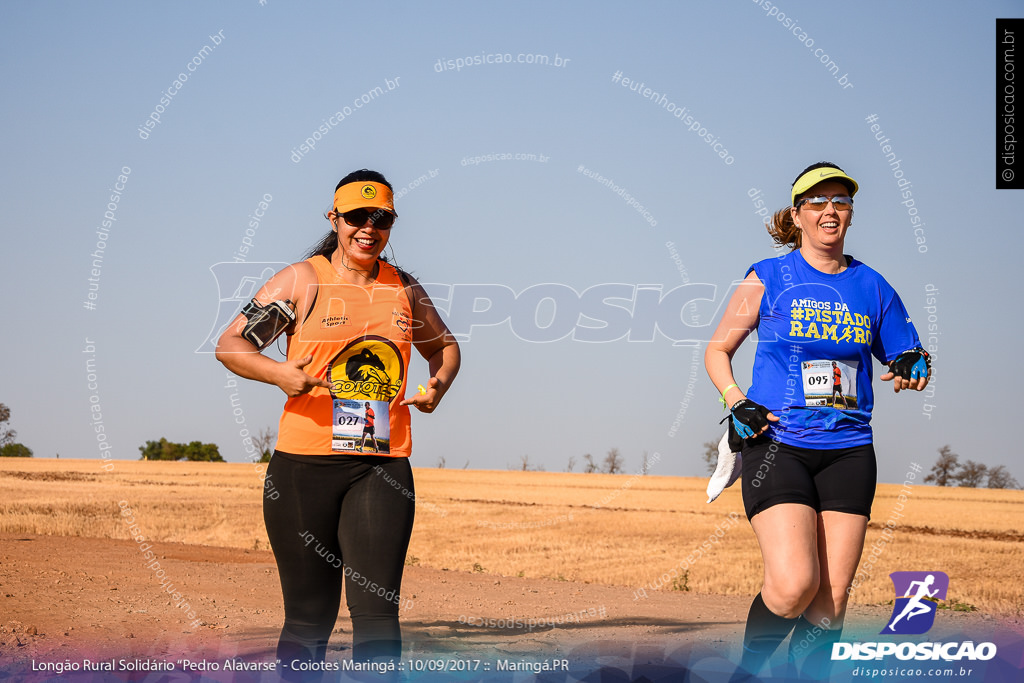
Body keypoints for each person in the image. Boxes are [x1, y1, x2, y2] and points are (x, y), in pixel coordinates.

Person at [216, 169, 461, 675]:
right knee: (308, 617)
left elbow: (445, 347)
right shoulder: (303, 281)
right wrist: (280, 374)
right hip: (302, 468)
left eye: (382, 219)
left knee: (376, 614)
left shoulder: (404, 289)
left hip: (380, 465)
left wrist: (438, 384)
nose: (368, 228)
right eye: (356, 217)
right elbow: (232, 344)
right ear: (335, 218)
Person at [704, 162, 930, 680]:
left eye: (841, 201)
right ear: (798, 215)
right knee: (792, 586)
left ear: (850, 214)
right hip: (776, 441)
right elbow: (717, 350)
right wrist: (736, 400)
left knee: (829, 603)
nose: (831, 210)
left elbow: (906, 355)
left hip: (848, 449)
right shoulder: (767, 276)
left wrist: (913, 366)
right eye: (818, 202)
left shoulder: (872, 286)